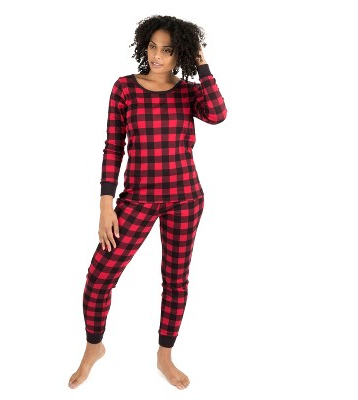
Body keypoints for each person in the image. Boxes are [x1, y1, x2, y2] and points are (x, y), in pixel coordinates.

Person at [68, 14, 227, 391]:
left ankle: (164, 355)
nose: (157, 56)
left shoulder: (189, 92)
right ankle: (94, 347)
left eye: (167, 50)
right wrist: (105, 205)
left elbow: (218, 114)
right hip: (137, 201)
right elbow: (113, 147)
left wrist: (202, 63)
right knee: (99, 278)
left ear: (180, 54)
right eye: (152, 47)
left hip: (185, 198)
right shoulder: (124, 88)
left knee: (175, 280)